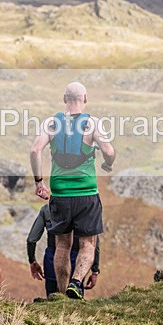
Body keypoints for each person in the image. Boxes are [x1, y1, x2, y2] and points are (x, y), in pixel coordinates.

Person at [30, 82, 116, 300]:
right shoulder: (93, 123)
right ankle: (76, 284)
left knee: (62, 244)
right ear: (85, 98)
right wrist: (108, 164)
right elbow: (109, 150)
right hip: (86, 192)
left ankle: (61, 293)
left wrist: (39, 182)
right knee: (88, 243)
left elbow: (35, 150)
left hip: (59, 194)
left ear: (64, 99)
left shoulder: (51, 123)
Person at [27, 203, 100, 298]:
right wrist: (95, 271)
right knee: (74, 294)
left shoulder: (46, 210)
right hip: (76, 259)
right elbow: (93, 245)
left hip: (51, 258)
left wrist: (32, 260)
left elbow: (31, 240)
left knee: (52, 297)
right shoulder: (84, 208)